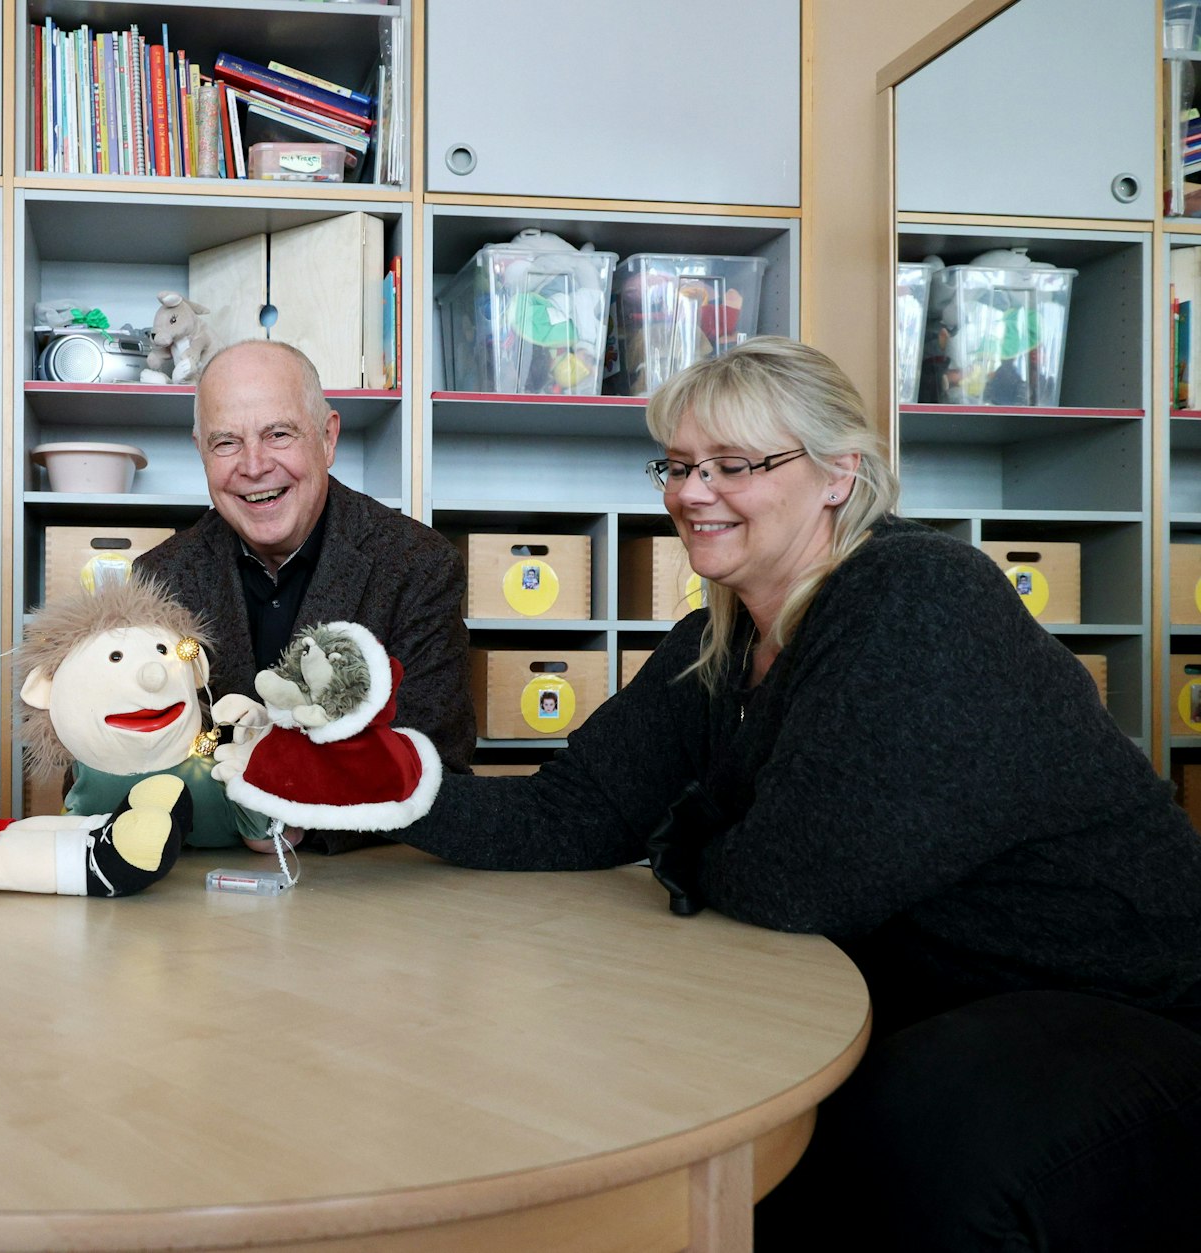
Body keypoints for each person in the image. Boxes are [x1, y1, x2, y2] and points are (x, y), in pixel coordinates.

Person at [384, 337, 1201, 1250]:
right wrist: (387, 784)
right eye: (681, 465)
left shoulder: (916, 594)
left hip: (1121, 1001)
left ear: (838, 474)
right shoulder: (718, 638)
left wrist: (682, 842)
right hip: (931, 996)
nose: (691, 492)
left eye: (734, 464)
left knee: (906, 1154)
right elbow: (573, 809)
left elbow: (800, 879)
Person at [137, 339, 476, 854]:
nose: (253, 466)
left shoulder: (418, 564)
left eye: (278, 434)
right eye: (226, 442)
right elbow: (119, 759)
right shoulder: (157, 580)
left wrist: (295, 820)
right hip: (193, 887)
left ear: (327, 436)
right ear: (201, 451)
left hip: (364, 890)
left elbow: (436, 763)